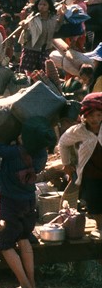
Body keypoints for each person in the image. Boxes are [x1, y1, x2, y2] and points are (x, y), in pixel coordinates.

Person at [0, 102, 57, 288]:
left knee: (5, 244)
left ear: (24, 139)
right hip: (29, 201)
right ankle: (31, 283)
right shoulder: (41, 154)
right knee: (23, 238)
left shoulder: (12, 152)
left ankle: (24, 285)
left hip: (10, 203)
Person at [59, 92, 102, 235]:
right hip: (91, 172)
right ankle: (99, 226)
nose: (95, 119)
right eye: (91, 116)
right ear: (85, 116)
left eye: (98, 115)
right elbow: (63, 143)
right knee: (93, 201)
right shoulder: (79, 131)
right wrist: (66, 164)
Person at [18, 0, 63, 74]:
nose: (41, 7)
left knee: (45, 74)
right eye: (40, 4)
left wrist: (62, 14)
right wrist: (25, 26)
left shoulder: (53, 18)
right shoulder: (33, 18)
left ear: (49, 6)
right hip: (31, 49)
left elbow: (57, 27)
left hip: (46, 50)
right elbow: (27, 30)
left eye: (44, 5)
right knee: (26, 74)